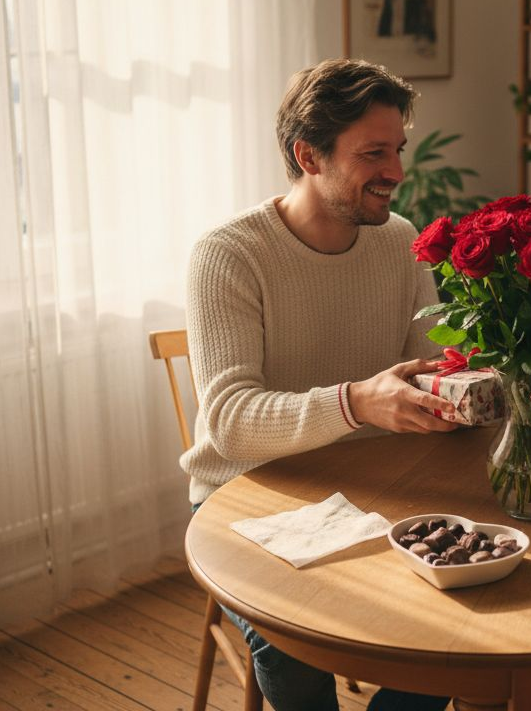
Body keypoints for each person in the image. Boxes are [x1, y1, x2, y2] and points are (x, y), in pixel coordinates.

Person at [182, 58, 456, 710]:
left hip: (370, 486)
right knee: (291, 637)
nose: (396, 172)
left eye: (397, 150)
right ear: (309, 155)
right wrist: (359, 402)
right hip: (246, 493)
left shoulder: (401, 241)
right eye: (373, 153)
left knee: (459, 607)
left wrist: (498, 365)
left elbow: (433, 371)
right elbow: (231, 418)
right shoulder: (229, 254)